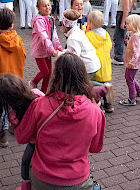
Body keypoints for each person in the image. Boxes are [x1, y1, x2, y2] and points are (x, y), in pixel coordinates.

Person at [14, 52, 105, 190]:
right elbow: (95, 148)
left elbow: (21, 137)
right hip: (77, 180)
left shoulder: (39, 105)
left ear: (56, 76)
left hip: (42, 178)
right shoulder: (95, 112)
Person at [0, 74, 44, 190]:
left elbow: (21, 138)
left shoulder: (13, 115)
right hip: (47, 135)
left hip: (35, 142)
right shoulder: (36, 93)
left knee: (25, 162)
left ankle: (26, 187)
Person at [0, 8, 26, 147]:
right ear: (12, 24)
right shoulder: (19, 40)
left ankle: (2, 136)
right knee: (15, 104)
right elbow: (23, 57)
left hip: (1, 82)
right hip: (16, 78)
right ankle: (16, 126)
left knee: (2, 108)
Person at [29, 0, 62, 93]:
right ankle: (33, 82)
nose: (47, 7)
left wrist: (58, 47)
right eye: (44, 6)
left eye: (48, 5)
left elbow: (54, 34)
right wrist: (52, 50)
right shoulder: (39, 20)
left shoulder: (50, 19)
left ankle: (43, 92)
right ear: (38, 9)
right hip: (39, 50)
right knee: (45, 71)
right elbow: (43, 36)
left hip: (47, 50)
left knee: (49, 73)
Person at [60, 9, 101, 82]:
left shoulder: (72, 38)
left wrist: (59, 54)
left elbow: (74, 57)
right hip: (92, 63)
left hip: (88, 66)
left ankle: (104, 88)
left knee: (80, 85)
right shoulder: (77, 30)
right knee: (85, 83)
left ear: (64, 23)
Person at [86, 10, 114, 112]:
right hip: (106, 64)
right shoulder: (106, 34)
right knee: (104, 83)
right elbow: (110, 46)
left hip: (95, 66)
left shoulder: (88, 35)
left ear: (89, 22)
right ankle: (109, 104)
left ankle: (99, 105)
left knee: (96, 87)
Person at [119, 14, 140, 106]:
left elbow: (137, 51)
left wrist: (132, 62)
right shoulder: (136, 35)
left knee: (129, 79)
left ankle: (132, 99)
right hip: (133, 62)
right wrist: (128, 43)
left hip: (132, 63)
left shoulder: (135, 36)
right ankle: (139, 92)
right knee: (130, 78)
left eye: (127, 23)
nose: (126, 25)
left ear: (134, 25)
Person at [112, 0, 137, 65]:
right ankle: (133, 55)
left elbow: (126, 9)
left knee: (118, 37)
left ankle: (118, 57)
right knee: (125, 37)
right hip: (127, 16)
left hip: (122, 16)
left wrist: (123, 22)